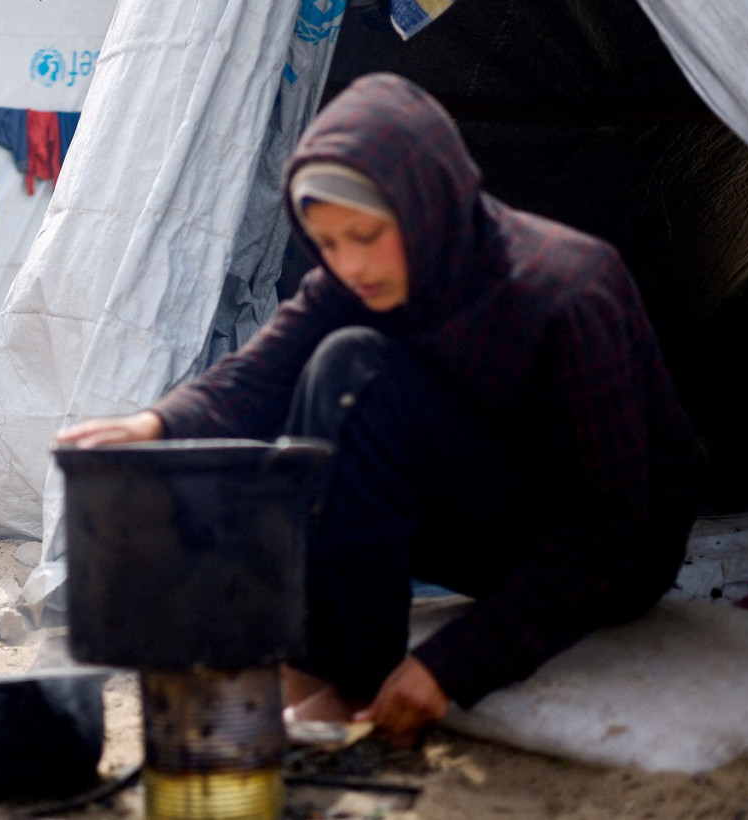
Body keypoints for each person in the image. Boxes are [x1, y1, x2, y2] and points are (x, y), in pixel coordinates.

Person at [56, 74, 701, 748]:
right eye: (328, 244)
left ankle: (337, 685)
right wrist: (151, 425)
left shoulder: (566, 291)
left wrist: (451, 663)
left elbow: (614, 533)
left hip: (615, 556)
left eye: (365, 235)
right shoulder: (355, 282)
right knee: (332, 373)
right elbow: (256, 378)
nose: (349, 264)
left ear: (426, 206)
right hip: (491, 538)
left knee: (356, 372)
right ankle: (326, 676)